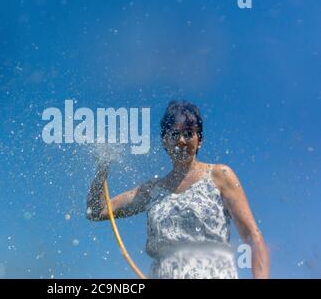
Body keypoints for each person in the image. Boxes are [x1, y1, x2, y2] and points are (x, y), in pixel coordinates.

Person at [86, 101, 269, 279]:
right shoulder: (152, 190)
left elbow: (253, 235)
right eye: (174, 134)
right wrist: (102, 170)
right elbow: (96, 211)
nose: (181, 140)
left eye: (188, 133)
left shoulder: (220, 175)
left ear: (200, 140)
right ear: (165, 141)